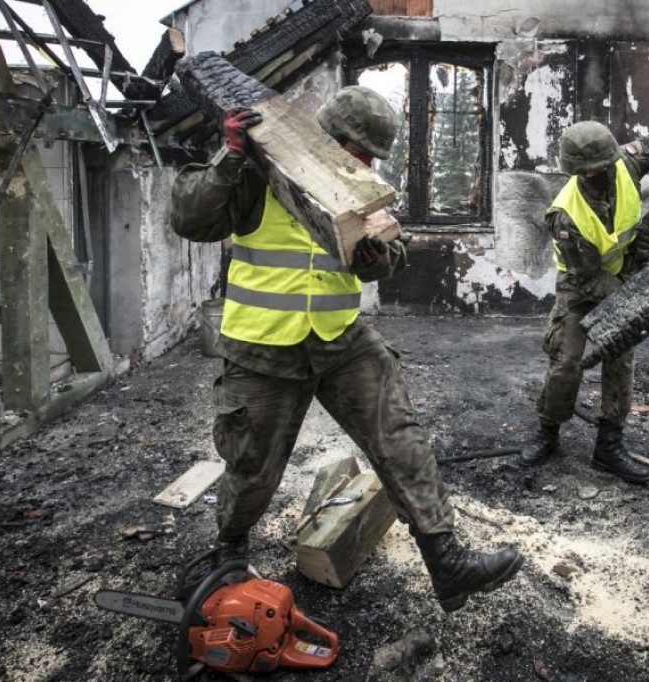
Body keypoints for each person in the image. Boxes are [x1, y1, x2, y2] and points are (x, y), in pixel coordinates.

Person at [170, 86, 523, 612]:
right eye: (354, 150)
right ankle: (229, 553)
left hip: (341, 338)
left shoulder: (362, 186)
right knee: (251, 467)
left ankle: (445, 561)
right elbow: (190, 220)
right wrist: (230, 157)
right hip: (264, 346)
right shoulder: (252, 173)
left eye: (369, 156)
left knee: (400, 435)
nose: (362, 162)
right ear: (324, 139)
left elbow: (387, 256)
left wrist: (378, 254)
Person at [519, 121, 649, 483]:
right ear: (578, 173)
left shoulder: (626, 162)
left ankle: (609, 445)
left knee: (621, 355)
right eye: (590, 174)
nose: (600, 176)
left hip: (622, 271)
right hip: (580, 284)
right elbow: (588, 277)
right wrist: (635, 301)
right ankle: (548, 432)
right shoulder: (565, 214)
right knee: (567, 361)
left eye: (603, 169)